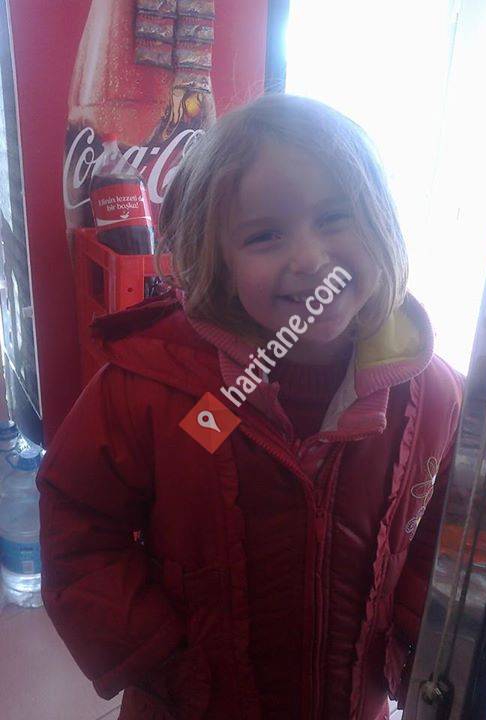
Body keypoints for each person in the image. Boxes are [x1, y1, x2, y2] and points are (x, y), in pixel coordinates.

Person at [37, 94, 463, 720]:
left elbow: (447, 528)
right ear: (219, 260)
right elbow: (78, 522)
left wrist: (416, 631)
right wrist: (156, 656)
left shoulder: (436, 394)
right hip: (192, 701)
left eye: (335, 217)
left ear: (380, 224)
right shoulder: (149, 388)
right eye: (264, 235)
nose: (309, 259)